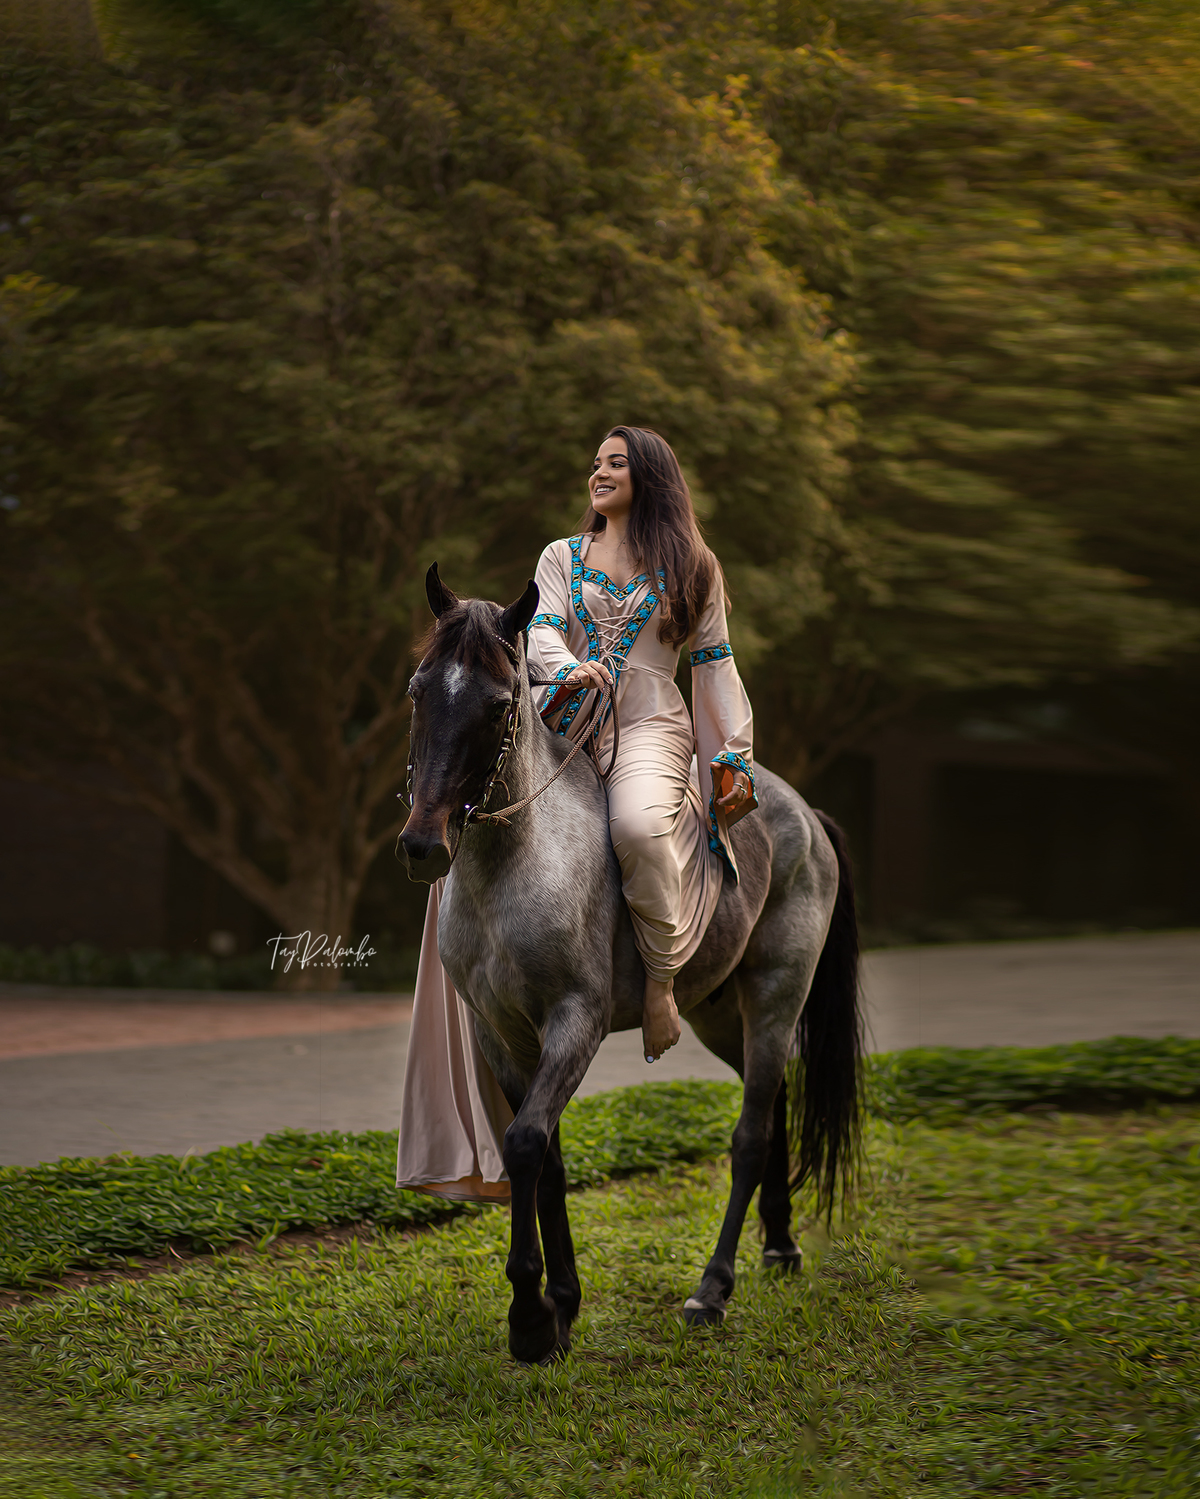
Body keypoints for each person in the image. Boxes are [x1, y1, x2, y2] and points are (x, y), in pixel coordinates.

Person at [396, 426, 756, 1200]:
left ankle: (659, 988)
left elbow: (716, 665)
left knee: (634, 826)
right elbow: (539, 632)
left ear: (650, 475)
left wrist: (731, 751)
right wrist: (565, 667)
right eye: (595, 462)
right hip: (563, 721)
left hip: (652, 730)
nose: (598, 472)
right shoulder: (561, 556)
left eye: (614, 463)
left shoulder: (694, 567)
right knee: (488, 815)